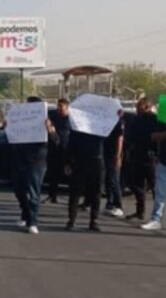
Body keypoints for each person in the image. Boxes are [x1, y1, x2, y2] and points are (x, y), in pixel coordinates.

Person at [10, 97, 57, 235]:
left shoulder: (47, 122)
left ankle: (32, 221)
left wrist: (50, 130)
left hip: (36, 162)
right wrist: (9, 128)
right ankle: (25, 214)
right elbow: (12, 139)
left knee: (33, 192)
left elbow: (57, 142)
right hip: (20, 160)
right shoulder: (22, 121)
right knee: (19, 190)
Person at [65, 111, 107, 232]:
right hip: (79, 162)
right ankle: (71, 220)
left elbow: (112, 131)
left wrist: (117, 117)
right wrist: (67, 162)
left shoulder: (100, 127)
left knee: (96, 193)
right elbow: (70, 144)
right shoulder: (77, 128)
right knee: (75, 192)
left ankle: (94, 221)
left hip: (97, 161)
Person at [124, 98, 158, 220]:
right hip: (137, 155)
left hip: (150, 157)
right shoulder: (137, 119)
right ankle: (140, 211)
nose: (138, 110)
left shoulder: (154, 119)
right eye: (137, 107)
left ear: (147, 107)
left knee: (154, 186)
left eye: (140, 108)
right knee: (137, 185)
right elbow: (131, 136)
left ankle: (157, 215)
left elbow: (157, 138)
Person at [46, 98, 71, 203]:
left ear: (67, 108)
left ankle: (73, 198)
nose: (59, 109)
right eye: (58, 106)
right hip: (55, 150)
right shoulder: (55, 117)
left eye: (61, 107)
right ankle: (52, 195)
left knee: (70, 174)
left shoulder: (71, 120)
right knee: (53, 173)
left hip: (68, 150)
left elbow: (64, 136)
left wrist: (53, 132)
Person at [102, 113, 125, 217]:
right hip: (106, 153)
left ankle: (118, 205)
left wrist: (118, 155)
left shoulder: (119, 122)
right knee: (108, 180)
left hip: (113, 154)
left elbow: (120, 140)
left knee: (114, 180)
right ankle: (109, 204)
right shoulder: (107, 122)